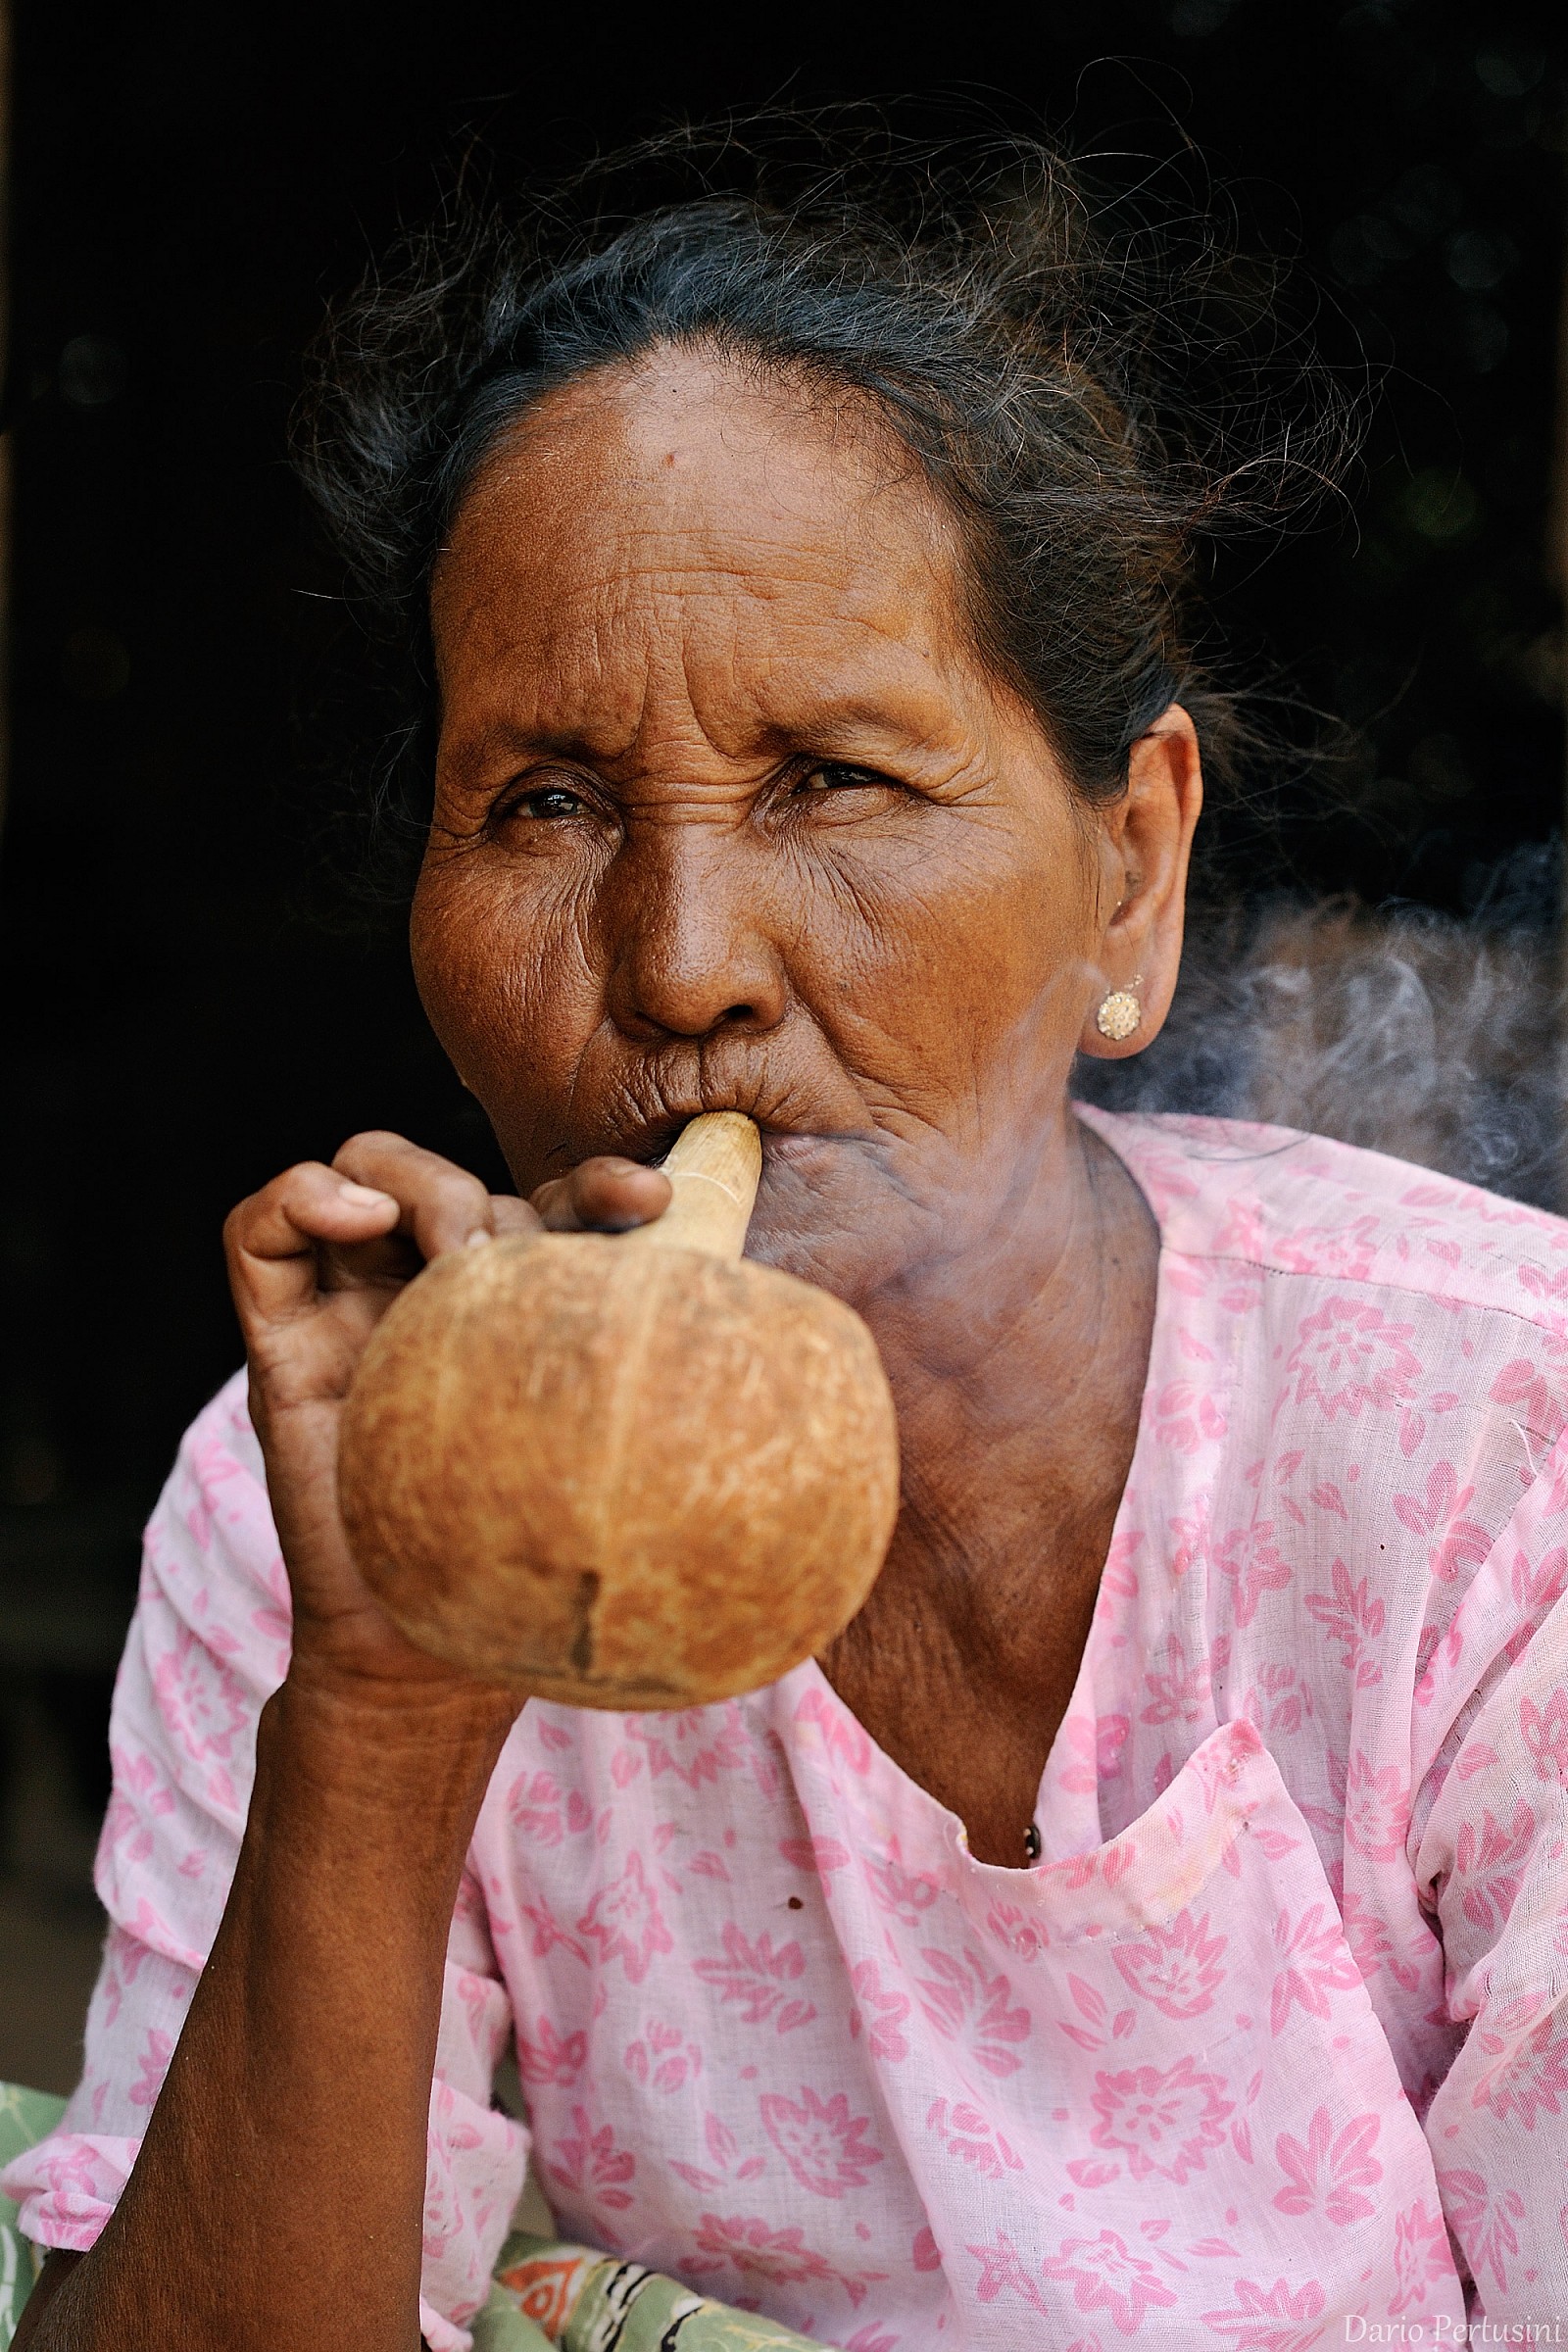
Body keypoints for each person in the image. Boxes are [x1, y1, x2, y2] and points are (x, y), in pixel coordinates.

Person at [8, 134, 1567, 2348]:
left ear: (1128, 871)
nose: (680, 965)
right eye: (546, 804)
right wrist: (380, 1713)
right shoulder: (331, 1505)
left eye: (834, 779)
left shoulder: (1504, 1456)